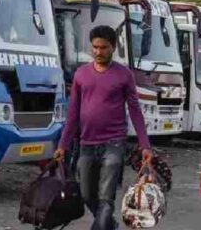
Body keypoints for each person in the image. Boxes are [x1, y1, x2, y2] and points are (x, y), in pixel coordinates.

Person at [54, 25, 153, 230]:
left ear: (113, 47)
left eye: (104, 47)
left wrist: (145, 146)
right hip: (86, 143)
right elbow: (73, 113)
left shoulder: (124, 75)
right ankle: (109, 224)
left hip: (114, 143)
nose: (99, 52)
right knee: (86, 193)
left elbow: (135, 111)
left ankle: (101, 225)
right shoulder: (81, 74)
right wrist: (62, 145)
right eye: (95, 47)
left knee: (106, 197)